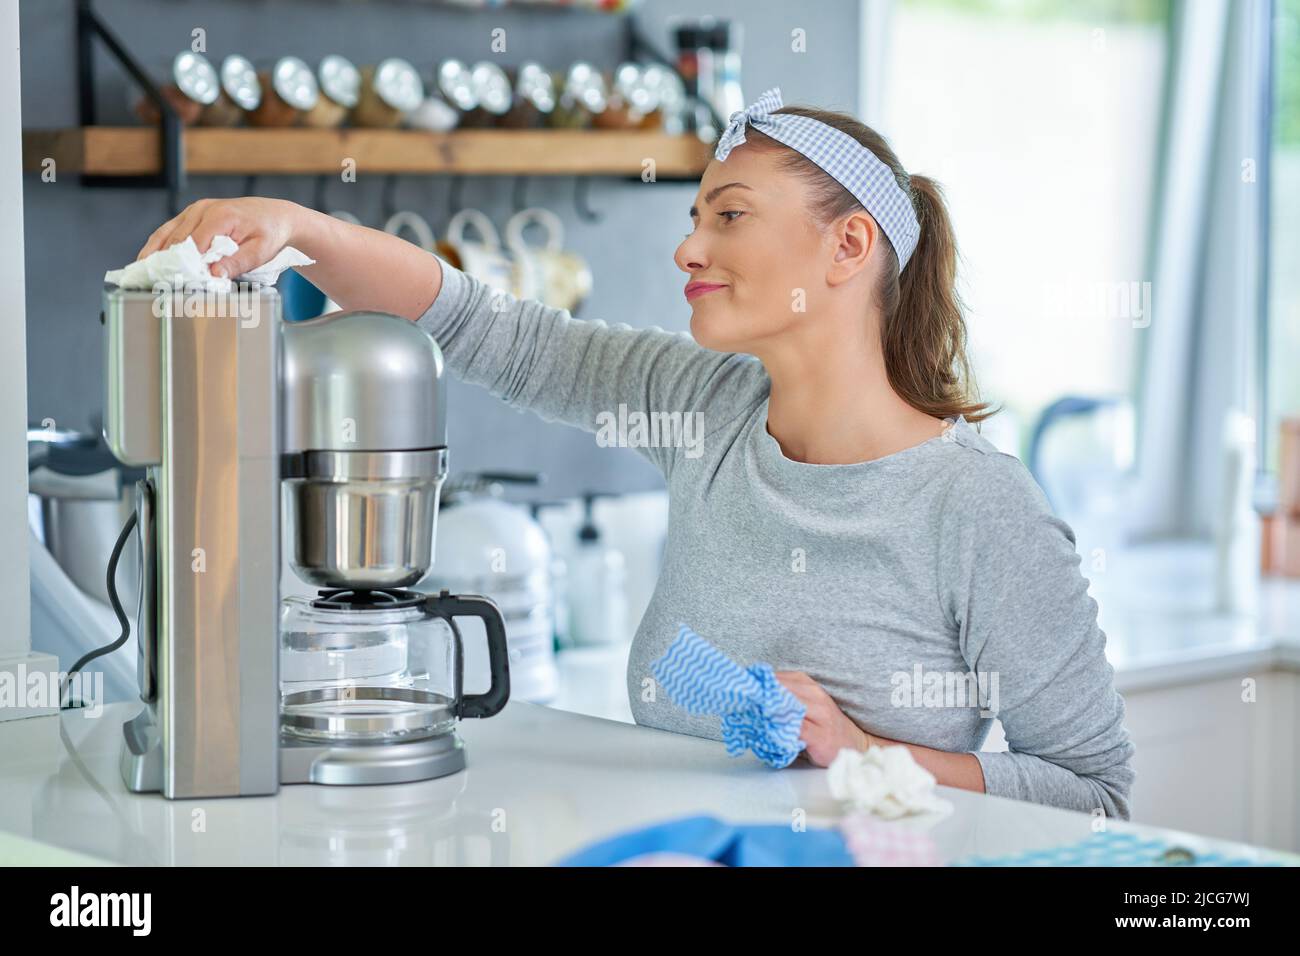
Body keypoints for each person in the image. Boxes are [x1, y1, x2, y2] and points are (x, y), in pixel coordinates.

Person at [137, 88, 1136, 819]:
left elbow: (1096, 793)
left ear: (848, 248)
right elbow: (494, 328)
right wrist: (297, 228)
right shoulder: (700, 405)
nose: (688, 249)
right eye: (694, 216)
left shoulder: (976, 506)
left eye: (729, 214)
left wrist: (869, 751)